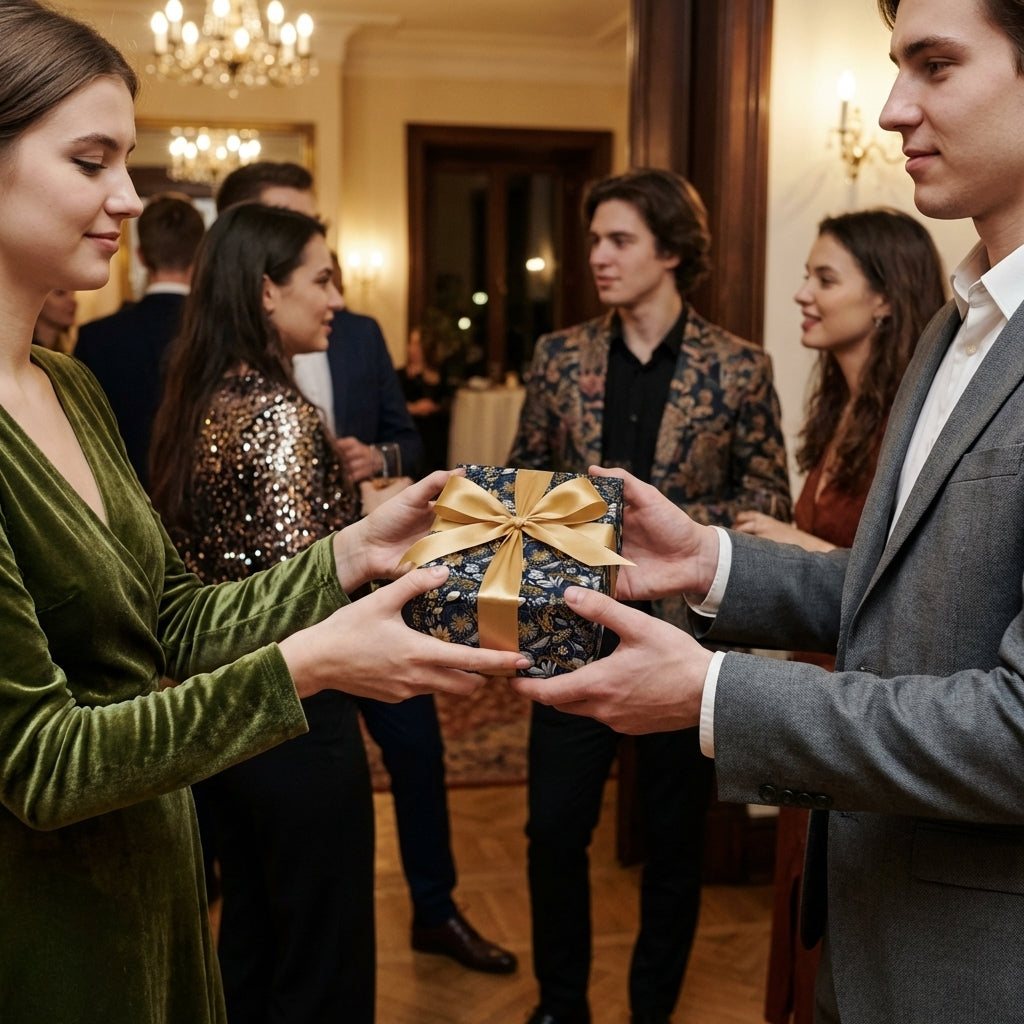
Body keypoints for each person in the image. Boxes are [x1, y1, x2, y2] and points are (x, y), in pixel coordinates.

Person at [0, 5, 526, 1023]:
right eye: (91, 159)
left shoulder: (65, 387)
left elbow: (178, 620)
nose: (129, 196)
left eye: (128, 159)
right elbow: (45, 762)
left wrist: (348, 553)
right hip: (46, 928)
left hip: (151, 890)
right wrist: (315, 663)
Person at [512, 0, 1024, 1018]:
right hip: (866, 919)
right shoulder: (954, 329)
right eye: (894, 65)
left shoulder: (750, 362)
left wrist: (712, 692)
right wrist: (710, 562)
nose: (889, 109)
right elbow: (902, 598)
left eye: (933, 64)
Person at [215, 160, 517, 975]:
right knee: (309, 833)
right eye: (298, 244)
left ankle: (436, 908)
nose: (333, 282)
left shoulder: (358, 334)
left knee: (416, 754)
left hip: (372, 582)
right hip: (297, 616)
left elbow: (407, 442)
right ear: (255, 267)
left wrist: (368, 456)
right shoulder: (236, 381)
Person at [507, 167, 791, 1024]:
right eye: (594, 239)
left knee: (673, 846)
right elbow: (523, 486)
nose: (597, 255)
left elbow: (767, 508)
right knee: (553, 831)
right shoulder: (558, 357)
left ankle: (653, 1011)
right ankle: (561, 1005)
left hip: (678, 646)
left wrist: (664, 539)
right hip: (565, 631)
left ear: (670, 252)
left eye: (618, 239)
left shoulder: (741, 369)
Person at [147, 201, 378, 1023]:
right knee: (322, 952)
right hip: (296, 715)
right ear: (265, 292)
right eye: (322, 278)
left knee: (251, 933)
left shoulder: (202, 398)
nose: (337, 298)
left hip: (221, 714)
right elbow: (302, 587)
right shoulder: (280, 415)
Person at [731, 208, 946, 1024]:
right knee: (802, 886)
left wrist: (790, 541)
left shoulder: (914, 416)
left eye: (825, 279)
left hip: (866, 694)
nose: (801, 293)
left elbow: (906, 578)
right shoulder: (840, 406)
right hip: (810, 682)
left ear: (885, 299)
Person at [75, 191, 205, 489]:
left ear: (141, 256)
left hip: (121, 502)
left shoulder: (96, 338)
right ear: (201, 256)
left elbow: (85, 440)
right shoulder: (227, 334)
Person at [399, 322, 454, 473]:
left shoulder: (442, 375)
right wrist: (414, 408)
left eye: (416, 344)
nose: (411, 348)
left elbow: (448, 404)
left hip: (436, 440)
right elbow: (391, 408)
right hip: (413, 434)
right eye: (411, 343)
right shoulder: (400, 376)